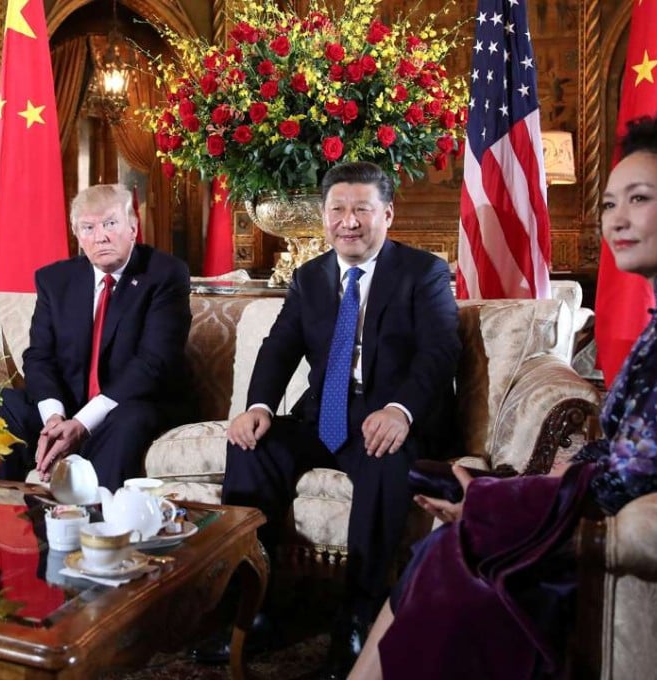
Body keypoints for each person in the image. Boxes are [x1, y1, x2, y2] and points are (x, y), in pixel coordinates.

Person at [348, 110, 657, 680]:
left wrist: (500, 504)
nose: (617, 220)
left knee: (447, 551)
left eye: (639, 199)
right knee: (443, 506)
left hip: (606, 534)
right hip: (592, 508)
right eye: (609, 204)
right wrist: (518, 490)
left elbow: (638, 473)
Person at [194, 162, 461, 678]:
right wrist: (257, 407)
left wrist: (400, 410)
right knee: (252, 447)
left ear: (387, 213)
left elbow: (440, 353)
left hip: (389, 415)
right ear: (324, 216)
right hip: (325, 413)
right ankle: (257, 605)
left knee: (385, 461)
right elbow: (278, 348)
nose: (349, 221)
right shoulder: (310, 277)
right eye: (338, 209)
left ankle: (360, 616)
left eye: (362, 209)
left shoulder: (422, 273)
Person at [0, 183, 194, 490]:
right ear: (77, 235)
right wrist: (54, 419)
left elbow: (153, 363)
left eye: (110, 224)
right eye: (88, 227)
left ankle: (100, 531)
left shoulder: (165, 274)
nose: (100, 236)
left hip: (133, 403)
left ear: (132, 227)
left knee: (126, 422)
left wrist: (83, 423)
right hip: (69, 406)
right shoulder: (55, 280)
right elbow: (39, 356)